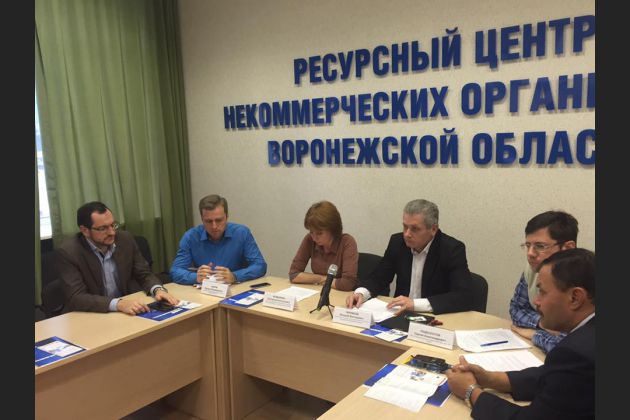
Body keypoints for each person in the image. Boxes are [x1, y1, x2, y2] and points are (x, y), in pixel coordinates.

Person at [446, 248, 595, 420]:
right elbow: (555, 376)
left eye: (542, 292)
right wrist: (491, 379)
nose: (536, 302)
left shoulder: (576, 352)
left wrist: (471, 391)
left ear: (575, 298)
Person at [345, 199, 472, 315]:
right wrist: (361, 293)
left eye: (415, 229)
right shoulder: (397, 242)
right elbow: (379, 277)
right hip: (400, 314)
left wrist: (415, 304)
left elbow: (463, 296)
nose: (407, 234)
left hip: (434, 317)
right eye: (405, 227)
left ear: (433, 229)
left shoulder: (451, 249)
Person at [58, 201, 179, 315]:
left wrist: (157, 289)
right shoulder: (69, 252)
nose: (112, 232)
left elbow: (144, 273)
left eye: (113, 225)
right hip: (92, 314)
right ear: (85, 230)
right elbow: (77, 297)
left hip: (126, 310)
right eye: (103, 228)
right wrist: (118, 304)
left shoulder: (125, 239)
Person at [509, 211, 578, 353]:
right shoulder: (533, 269)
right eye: (528, 245)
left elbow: (574, 346)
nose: (530, 253)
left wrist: (536, 334)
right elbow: (516, 309)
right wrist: (542, 324)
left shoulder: (585, 281)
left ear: (568, 248)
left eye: (540, 246)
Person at [170, 194, 267, 284]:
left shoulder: (242, 233)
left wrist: (235, 276)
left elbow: (260, 265)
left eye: (219, 220)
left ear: (227, 217)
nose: (214, 226)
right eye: (208, 221)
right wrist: (196, 277)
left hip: (235, 289)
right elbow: (175, 271)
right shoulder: (191, 237)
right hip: (204, 291)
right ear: (202, 219)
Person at [289, 200, 358, 291]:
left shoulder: (347, 242)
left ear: (333, 229)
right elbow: (294, 275)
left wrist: (316, 280)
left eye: (319, 233)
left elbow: (347, 283)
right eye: (311, 232)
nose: (314, 238)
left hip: (340, 295)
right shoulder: (309, 239)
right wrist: (322, 279)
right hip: (319, 291)